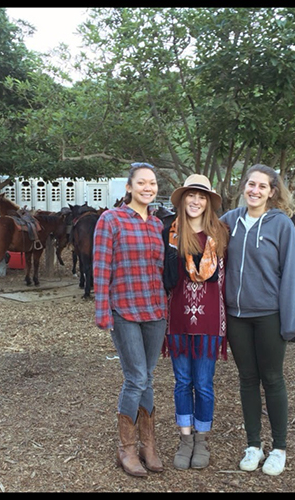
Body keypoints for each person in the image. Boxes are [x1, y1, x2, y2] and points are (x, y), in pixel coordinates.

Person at [220, 164, 295, 476]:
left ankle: (278, 447)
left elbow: (289, 279)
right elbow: (203, 240)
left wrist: (288, 321)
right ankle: (253, 444)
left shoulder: (282, 226)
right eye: (250, 184)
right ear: (244, 187)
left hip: (269, 315)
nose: (254, 190)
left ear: (272, 192)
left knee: (272, 378)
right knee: (247, 379)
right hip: (237, 316)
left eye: (262, 186)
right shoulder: (229, 221)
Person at [93, 162, 167, 477]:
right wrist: (102, 309)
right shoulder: (110, 220)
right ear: (129, 187)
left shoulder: (157, 225)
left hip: (154, 309)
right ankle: (126, 447)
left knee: (148, 377)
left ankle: (147, 444)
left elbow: (160, 269)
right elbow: (101, 266)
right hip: (124, 308)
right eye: (141, 183)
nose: (147, 188)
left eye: (152, 183)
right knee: (136, 376)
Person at [162, 174, 230, 470]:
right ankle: (185, 437)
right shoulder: (172, 235)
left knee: (203, 384)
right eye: (191, 195)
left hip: (210, 322)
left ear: (209, 202)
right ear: (183, 199)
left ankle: (201, 438)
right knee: (182, 383)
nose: (196, 201)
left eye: (202, 197)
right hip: (178, 320)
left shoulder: (222, 234)